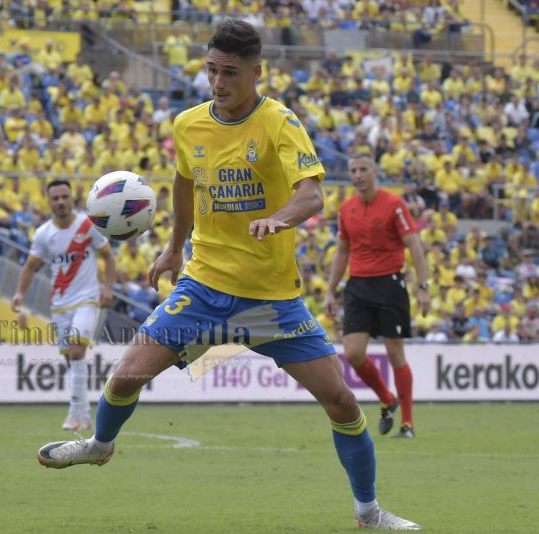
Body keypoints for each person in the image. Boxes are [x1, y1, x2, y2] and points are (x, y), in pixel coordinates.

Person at [36, 20, 421, 531]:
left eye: (231, 73)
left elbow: (312, 194)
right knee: (127, 375)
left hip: (272, 304)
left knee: (342, 401)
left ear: (256, 72)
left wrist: (278, 218)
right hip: (204, 287)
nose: (218, 82)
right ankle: (100, 445)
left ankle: (369, 514)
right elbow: (183, 182)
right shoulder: (189, 124)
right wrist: (174, 248)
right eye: (212, 69)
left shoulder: (280, 123)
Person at [324, 154, 430, 440]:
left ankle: (407, 424)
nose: (357, 175)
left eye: (363, 169)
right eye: (353, 170)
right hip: (358, 286)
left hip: (389, 284)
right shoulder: (346, 209)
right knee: (353, 353)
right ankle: (386, 398)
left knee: (396, 353)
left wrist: (423, 286)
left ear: (375, 172)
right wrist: (331, 291)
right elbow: (342, 251)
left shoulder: (394, 204)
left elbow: (414, 244)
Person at [11, 179, 116, 432]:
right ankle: (84, 414)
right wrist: (18, 294)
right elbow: (30, 266)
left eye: (64, 197)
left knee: (77, 351)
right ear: (48, 201)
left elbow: (108, 257)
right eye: (55, 198)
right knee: (71, 359)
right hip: (59, 303)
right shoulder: (43, 234)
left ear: (72, 199)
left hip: (87, 299)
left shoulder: (88, 225)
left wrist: (108, 288)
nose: (60, 202)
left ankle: (73, 412)